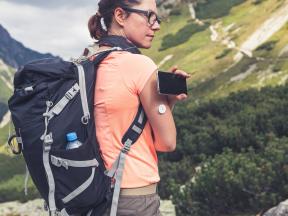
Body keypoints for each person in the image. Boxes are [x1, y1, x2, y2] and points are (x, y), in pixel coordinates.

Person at [87, 0, 190, 215]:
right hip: (134, 198)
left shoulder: (90, 60)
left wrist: (166, 101)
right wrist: (166, 103)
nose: (157, 25)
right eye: (149, 16)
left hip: (93, 192)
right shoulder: (138, 65)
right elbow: (167, 142)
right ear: (120, 16)